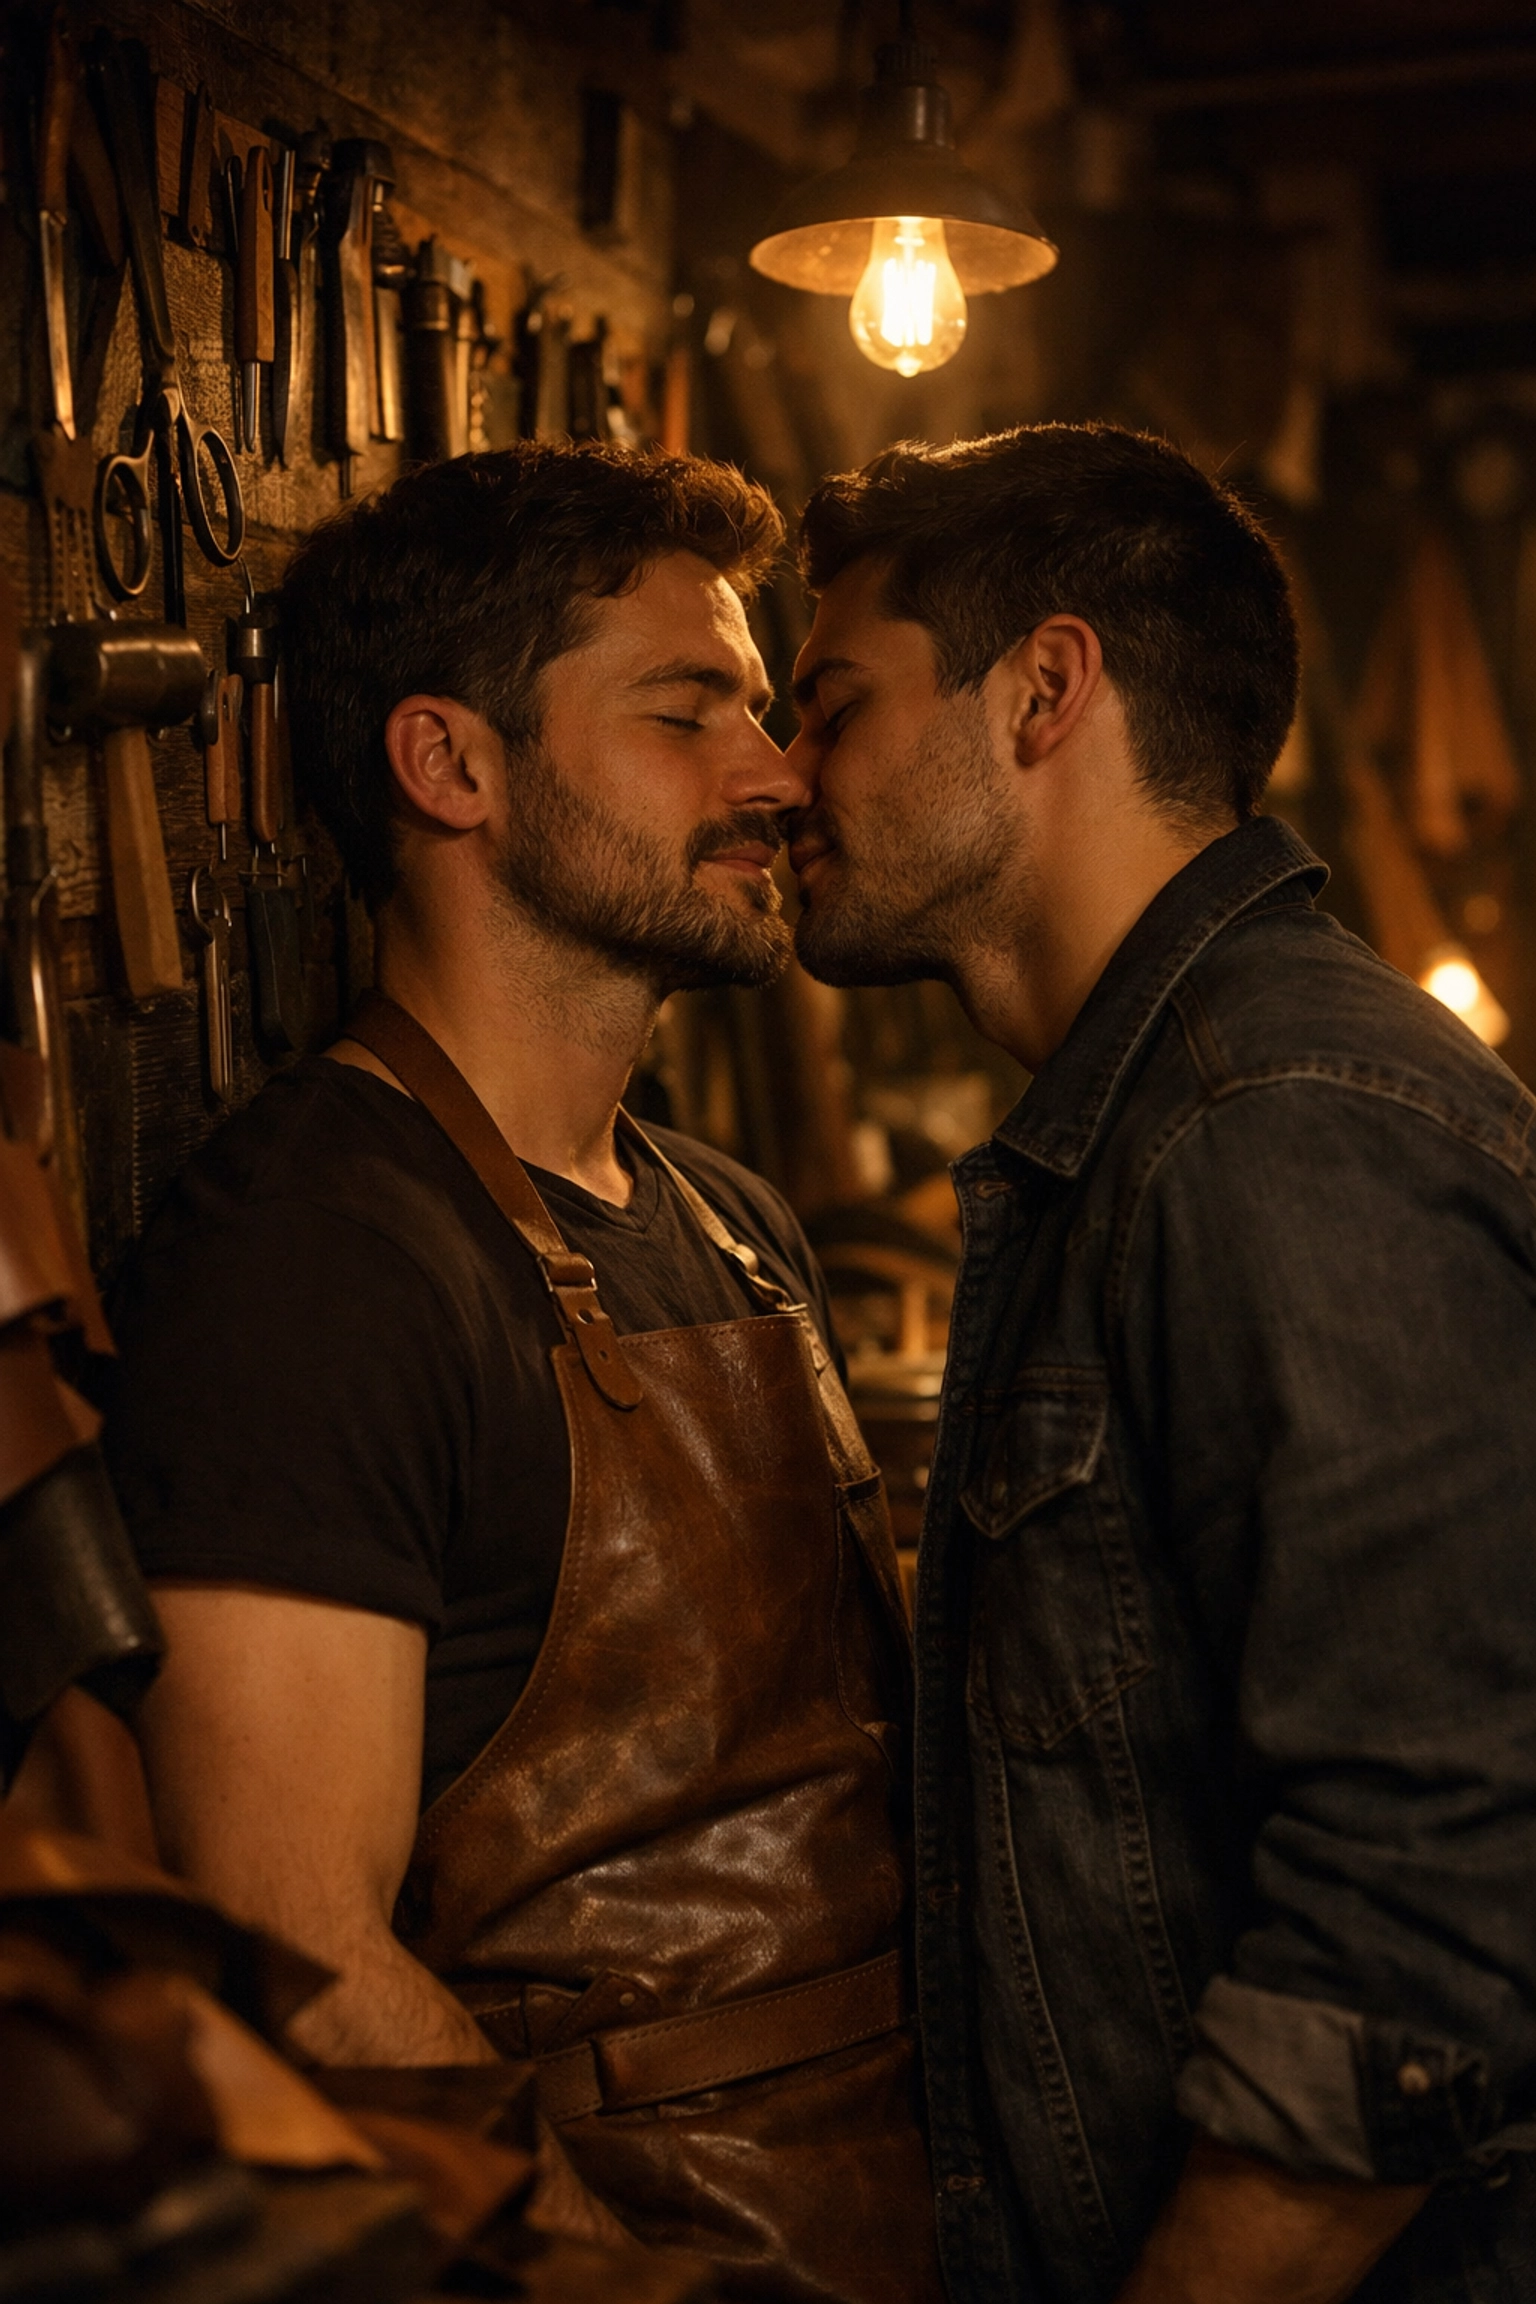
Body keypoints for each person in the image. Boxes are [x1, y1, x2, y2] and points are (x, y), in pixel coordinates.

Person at [105, 443, 943, 2304]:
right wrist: (619, 2280)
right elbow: (286, 1941)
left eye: (761, 703)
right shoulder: (317, 1267)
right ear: (451, 765)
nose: (776, 772)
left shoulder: (728, 1223)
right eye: (688, 709)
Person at [783, 422, 1536, 2304]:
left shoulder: (1272, 1124)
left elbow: (1430, 1898)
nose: (783, 778)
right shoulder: (1148, 1123)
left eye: (835, 705)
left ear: (1045, 690)